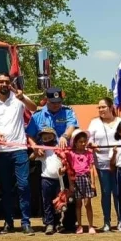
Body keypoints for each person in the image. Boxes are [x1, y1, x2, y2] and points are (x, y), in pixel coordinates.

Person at [0, 72, 38, 235]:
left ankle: (26, 222)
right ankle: (8, 222)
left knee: (24, 186)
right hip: (2, 151)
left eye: (7, 82)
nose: (4, 84)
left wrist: (22, 97)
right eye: (1, 82)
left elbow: (34, 108)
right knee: (5, 189)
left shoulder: (18, 99)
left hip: (19, 149)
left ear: (10, 83)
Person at [26, 86, 79, 231]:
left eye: (58, 102)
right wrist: (35, 146)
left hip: (65, 159)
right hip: (45, 159)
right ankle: (50, 222)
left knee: (68, 192)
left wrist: (65, 136)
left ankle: (68, 222)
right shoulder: (37, 116)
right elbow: (29, 134)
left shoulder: (67, 111)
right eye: (53, 102)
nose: (56, 104)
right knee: (46, 194)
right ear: (46, 100)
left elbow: (71, 126)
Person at [86, 98, 121, 232]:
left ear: (111, 107)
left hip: (120, 162)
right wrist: (91, 144)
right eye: (99, 107)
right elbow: (89, 138)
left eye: (103, 107)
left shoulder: (120, 122)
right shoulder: (94, 123)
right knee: (106, 193)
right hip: (102, 163)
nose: (101, 110)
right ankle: (107, 221)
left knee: (118, 193)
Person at [31, 127, 64, 235]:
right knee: (47, 202)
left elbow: (66, 160)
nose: (47, 138)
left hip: (59, 180)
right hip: (46, 179)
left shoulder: (59, 148)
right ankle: (49, 223)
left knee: (59, 203)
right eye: (44, 136)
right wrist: (36, 151)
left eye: (49, 136)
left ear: (54, 136)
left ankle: (58, 223)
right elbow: (31, 158)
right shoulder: (42, 149)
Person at [66, 130, 97, 234]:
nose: (83, 144)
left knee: (88, 203)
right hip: (77, 179)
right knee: (78, 204)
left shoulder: (89, 153)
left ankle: (91, 225)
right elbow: (69, 169)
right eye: (80, 141)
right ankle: (79, 225)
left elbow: (91, 168)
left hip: (86, 179)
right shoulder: (71, 154)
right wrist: (70, 184)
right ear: (75, 142)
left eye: (84, 141)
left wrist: (93, 183)